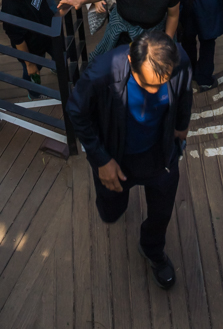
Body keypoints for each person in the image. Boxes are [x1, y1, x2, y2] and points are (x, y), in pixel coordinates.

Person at [63, 29, 193, 289]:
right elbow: (76, 112)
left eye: (161, 83)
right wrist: (101, 159)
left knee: (162, 211)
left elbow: (185, 91)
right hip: (116, 156)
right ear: (131, 61)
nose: (154, 90)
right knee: (111, 208)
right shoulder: (101, 73)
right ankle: (112, 206)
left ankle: (152, 249)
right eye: (147, 84)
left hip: (160, 154)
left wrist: (181, 125)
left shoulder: (180, 60)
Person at [0, 0, 77, 83]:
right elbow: (18, 39)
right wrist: (29, 63)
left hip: (49, 33)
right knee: (34, 72)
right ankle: (34, 93)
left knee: (60, 56)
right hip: (32, 47)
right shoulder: (11, 8)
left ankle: (57, 69)